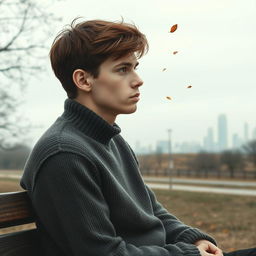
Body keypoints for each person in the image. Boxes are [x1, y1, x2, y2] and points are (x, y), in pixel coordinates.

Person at [20, 19, 252, 256]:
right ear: (83, 80)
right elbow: (103, 253)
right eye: (123, 69)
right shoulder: (65, 154)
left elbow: (152, 212)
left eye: (134, 67)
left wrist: (191, 239)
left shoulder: (111, 141)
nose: (138, 80)